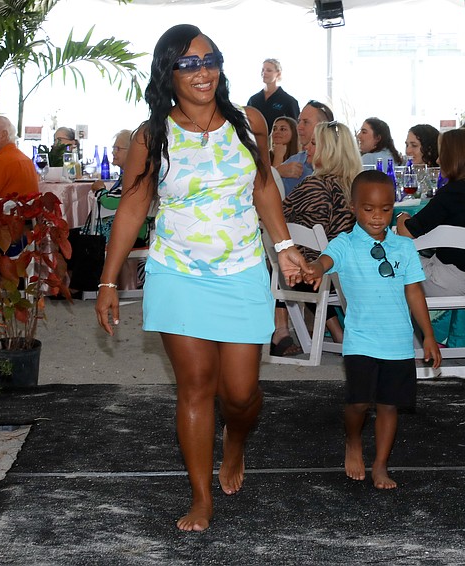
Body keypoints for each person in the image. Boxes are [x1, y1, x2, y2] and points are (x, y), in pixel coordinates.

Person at [94, 24, 308, 532]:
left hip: (242, 270)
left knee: (241, 395)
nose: (202, 71)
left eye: (210, 60)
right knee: (195, 387)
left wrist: (285, 248)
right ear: (168, 72)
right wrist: (107, 281)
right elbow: (133, 207)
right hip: (178, 272)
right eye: (188, 64)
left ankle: (235, 442)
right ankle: (201, 495)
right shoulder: (152, 135)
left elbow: (263, 186)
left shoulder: (249, 121)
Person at [304, 170, 441, 489]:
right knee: (358, 403)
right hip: (361, 340)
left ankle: (380, 464)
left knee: (388, 405)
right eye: (368, 209)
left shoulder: (404, 247)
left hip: (397, 342)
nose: (378, 216)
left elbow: (414, 291)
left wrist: (428, 336)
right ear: (353, 207)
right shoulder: (345, 244)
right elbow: (325, 261)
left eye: (386, 209)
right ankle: (353, 440)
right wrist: (314, 268)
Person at [395, 128, 465, 345]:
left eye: (441, 154)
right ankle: (427, 340)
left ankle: (410, 343)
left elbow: (407, 232)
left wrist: (401, 217)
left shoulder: (451, 193)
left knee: (392, 267)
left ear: (452, 157)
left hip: (448, 280)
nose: (437, 159)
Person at [272, 120, 360, 356]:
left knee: (281, 254)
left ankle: (281, 330)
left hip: (320, 274)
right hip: (353, 271)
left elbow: (276, 218)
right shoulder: (358, 185)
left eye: (313, 144)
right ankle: (337, 332)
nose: (306, 148)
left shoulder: (313, 186)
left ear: (328, 150)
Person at [89, 129, 150, 245]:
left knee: (77, 237)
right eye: (113, 148)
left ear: (133, 151)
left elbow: (111, 202)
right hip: (134, 231)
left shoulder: (134, 178)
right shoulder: (133, 175)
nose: (113, 152)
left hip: (130, 234)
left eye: (118, 149)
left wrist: (100, 190)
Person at [275, 99, 333, 196]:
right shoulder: (294, 162)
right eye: (299, 121)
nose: (299, 127)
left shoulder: (342, 164)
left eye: (305, 122)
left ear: (323, 125)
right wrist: (277, 172)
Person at [246, 58, 300, 132]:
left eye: (269, 70)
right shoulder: (253, 100)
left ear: (278, 73)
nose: (264, 73)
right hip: (255, 138)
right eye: (263, 70)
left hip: (277, 139)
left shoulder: (289, 101)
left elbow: (295, 129)